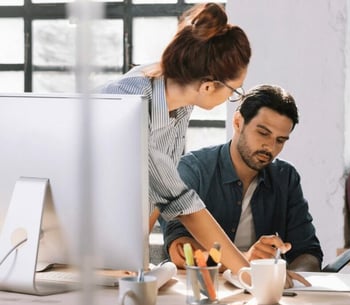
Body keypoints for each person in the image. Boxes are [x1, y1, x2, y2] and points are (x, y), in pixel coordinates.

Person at [99, 3, 254, 275]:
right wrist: (248, 274)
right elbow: (183, 206)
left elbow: (155, 186)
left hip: (113, 255)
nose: (234, 98)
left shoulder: (179, 100)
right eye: (234, 90)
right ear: (208, 86)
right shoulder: (133, 105)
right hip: (76, 247)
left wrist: (134, 257)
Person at [160, 84, 323, 278]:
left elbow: (309, 253)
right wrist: (244, 264)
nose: (269, 147)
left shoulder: (285, 177)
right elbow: (179, 250)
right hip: (201, 290)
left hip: (263, 293)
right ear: (238, 122)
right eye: (263, 133)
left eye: (280, 140)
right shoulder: (193, 169)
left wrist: (286, 278)